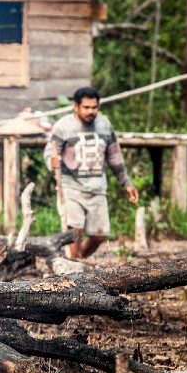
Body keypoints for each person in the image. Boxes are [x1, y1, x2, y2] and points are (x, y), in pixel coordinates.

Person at [44, 87, 139, 259]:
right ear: (76, 107)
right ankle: (73, 270)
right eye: (86, 108)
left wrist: (126, 183)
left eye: (94, 107)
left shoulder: (104, 125)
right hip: (71, 187)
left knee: (99, 234)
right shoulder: (63, 127)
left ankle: (77, 260)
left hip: (97, 187)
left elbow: (114, 156)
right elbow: (51, 152)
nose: (91, 112)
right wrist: (52, 160)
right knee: (74, 231)